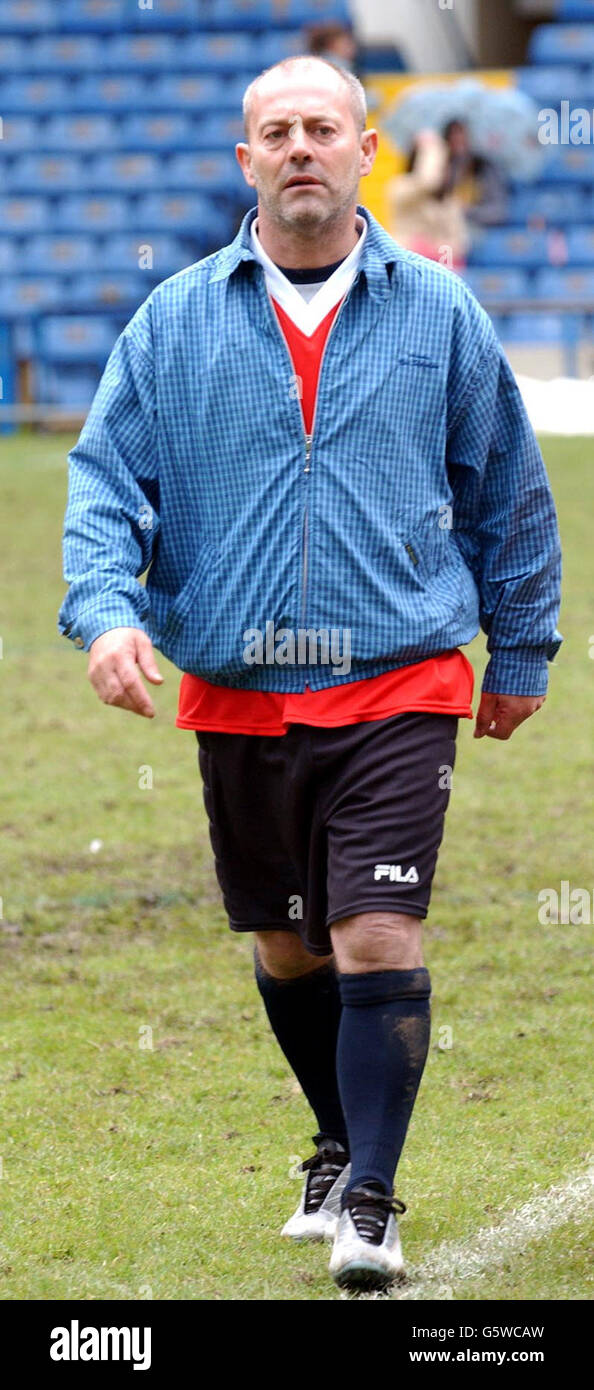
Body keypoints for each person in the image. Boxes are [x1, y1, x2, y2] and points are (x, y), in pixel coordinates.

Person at [58, 56, 563, 1294]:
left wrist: (525, 641)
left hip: (399, 680)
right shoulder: (172, 318)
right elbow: (104, 482)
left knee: (375, 927)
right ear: (246, 161)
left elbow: (508, 487)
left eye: (321, 128)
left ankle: (374, 1205)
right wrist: (108, 613)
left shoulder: (440, 312)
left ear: (364, 151)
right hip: (235, 694)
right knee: (289, 949)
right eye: (275, 131)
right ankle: (334, 1145)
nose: (299, 147)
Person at [387, 126, 470, 268]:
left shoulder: (449, 202)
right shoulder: (400, 187)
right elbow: (427, 181)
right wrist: (431, 148)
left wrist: (437, 252)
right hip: (407, 268)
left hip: (441, 273)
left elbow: (459, 245)